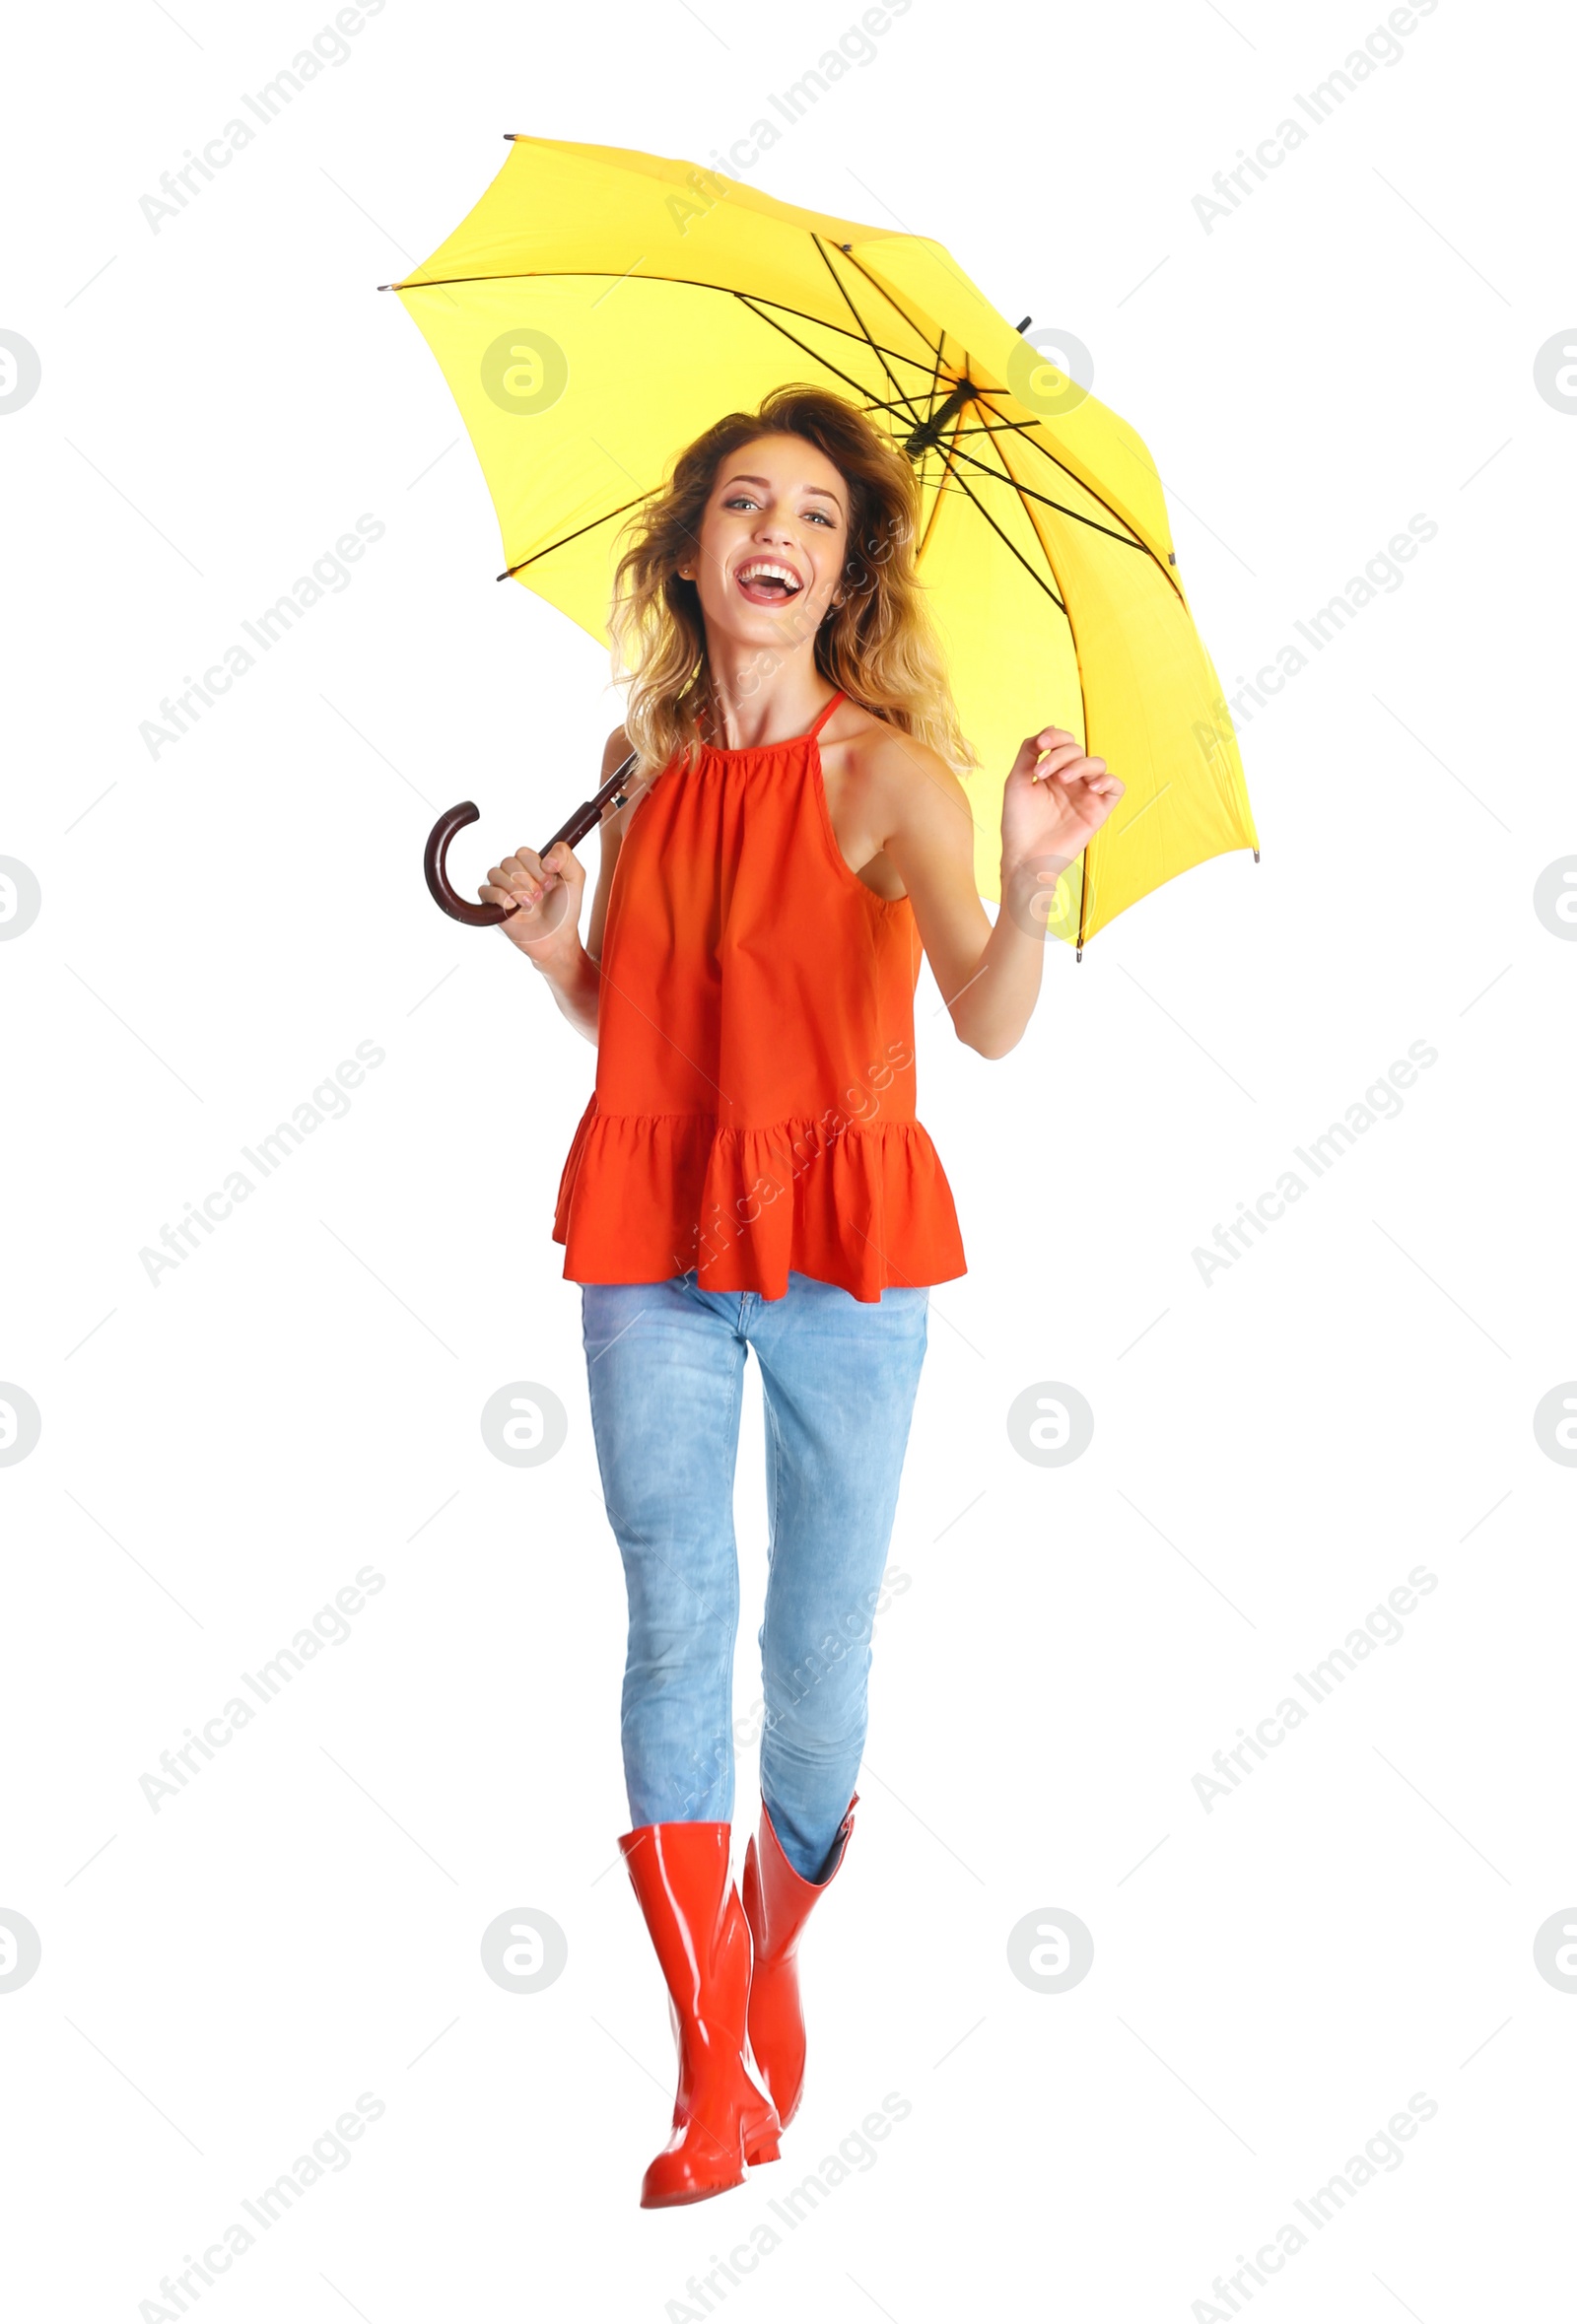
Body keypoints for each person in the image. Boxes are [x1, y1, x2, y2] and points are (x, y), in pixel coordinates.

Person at [479, 384, 1123, 2208]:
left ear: (847, 575)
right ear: (690, 549)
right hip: (655, 1239)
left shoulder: (886, 773)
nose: (779, 531)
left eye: (820, 518)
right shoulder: (645, 760)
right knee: (676, 1623)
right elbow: (645, 1027)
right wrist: (553, 955)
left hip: (844, 1258)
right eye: (746, 502)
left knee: (813, 1657)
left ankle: (771, 1950)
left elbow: (988, 1028)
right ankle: (703, 2071)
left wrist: (1027, 879)